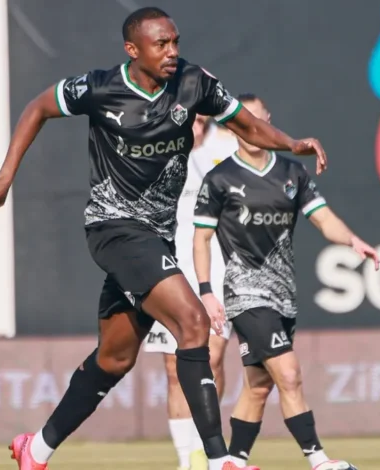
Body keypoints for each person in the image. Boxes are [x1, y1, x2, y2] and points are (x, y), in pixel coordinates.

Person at [0, 7, 327, 470]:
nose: (172, 51)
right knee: (194, 324)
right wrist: (5, 177)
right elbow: (38, 107)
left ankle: (35, 449)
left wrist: (292, 144)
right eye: (161, 44)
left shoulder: (193, 83)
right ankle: (219, 460)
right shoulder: (100, 87)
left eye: (175, 42)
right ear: (133, 49)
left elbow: (246, 124)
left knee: (114, 359)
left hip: (156, 239)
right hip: (114, 229)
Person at [193, 94, 378, 470]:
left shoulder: (292, 173)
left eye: (257, 121)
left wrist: (352, 240)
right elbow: (201, 239)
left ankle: (233, 463)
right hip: (245, 294)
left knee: (259, 385)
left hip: (283, 296)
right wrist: (207, 292)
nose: (251, 129)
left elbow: (323, 219)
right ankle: (319, 460)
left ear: (269, 123)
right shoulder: (220, 178)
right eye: (242, 123)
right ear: (232, 127)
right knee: (289, 374)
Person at [142, 114, 238, 470]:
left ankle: (204, 449)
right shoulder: (156, 150)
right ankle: (187, 460)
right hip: (167, 272)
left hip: (218, 270)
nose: (195, 125)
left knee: (212, 358)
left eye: (202, 119)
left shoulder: (227, 147)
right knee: (173, 367)